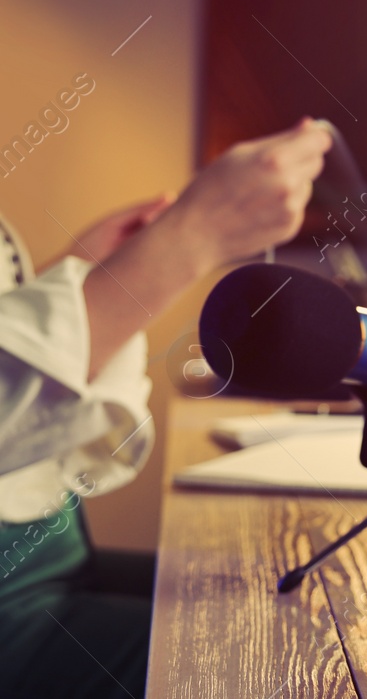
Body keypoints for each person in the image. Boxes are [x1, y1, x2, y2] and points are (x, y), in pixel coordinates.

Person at [0, 118, 332, 699]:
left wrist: (78, 277)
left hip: (58, 556)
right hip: (15, 615)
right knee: (284, 658)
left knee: (288, 597)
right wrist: (188, 238)